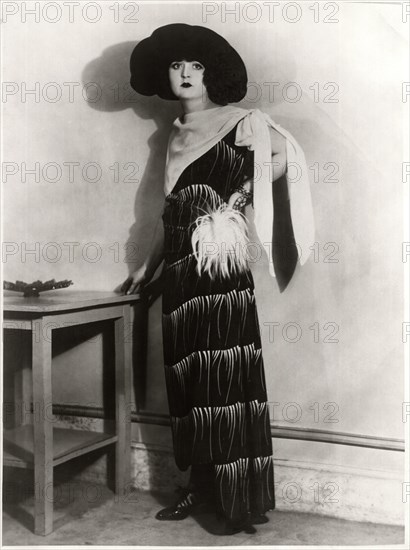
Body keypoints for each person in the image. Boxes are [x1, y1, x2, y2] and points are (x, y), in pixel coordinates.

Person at [122, 23, 314, 535]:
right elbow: (173, 209)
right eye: (176, 65)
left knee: (226, 380)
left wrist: (239, 201)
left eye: (197, 65)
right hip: (182, 274)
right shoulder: (172, 135)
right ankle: (200, 489)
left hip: (219, 267)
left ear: (213, 74)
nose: (185, 74)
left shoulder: (244, 121)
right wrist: (149, 264)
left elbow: (285, 160)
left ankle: (237, 500)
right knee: (190, 382)